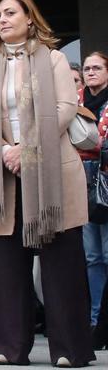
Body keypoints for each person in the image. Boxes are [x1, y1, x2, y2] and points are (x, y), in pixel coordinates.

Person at [0, 0, 93, 367]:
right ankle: (9, 347)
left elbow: (65, 107)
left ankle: (70, 349)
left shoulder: (52, 59)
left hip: (52, 171)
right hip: (4, 173)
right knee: (7, 265)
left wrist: (25, 148)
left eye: (10, 12)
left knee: (61, 263)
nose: (2, 19)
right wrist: (6, 151)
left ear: (29, 18)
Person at [82, 51, 108, 328]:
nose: (91, 72)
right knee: (92, 256)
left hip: (106, 181)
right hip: (82, 182)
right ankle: (95, 320)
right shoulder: (77, 100)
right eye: (87, 68)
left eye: (97, 67)